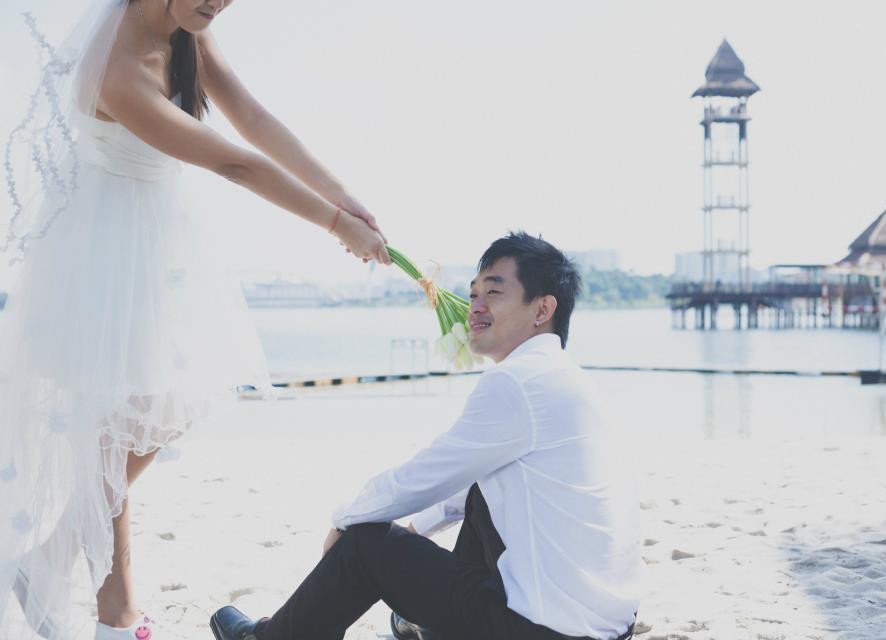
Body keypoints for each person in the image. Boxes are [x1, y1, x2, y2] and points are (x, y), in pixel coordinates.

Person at [0, 1, 390, 639]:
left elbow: (254, 120)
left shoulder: (188, 29)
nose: (220, 1)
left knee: (150, 417)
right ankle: (114, 612)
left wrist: (342, 197)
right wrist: (333, 223)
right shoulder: (118, 68)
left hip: (160, 242)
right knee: (121, 426)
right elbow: (233, 163)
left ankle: (61, 564)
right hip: (109, 250)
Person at [210, 232, 641, 640]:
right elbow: (464, 489)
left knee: (365, 544)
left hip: (546, 631)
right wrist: (416, 531)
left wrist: (346, 521)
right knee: (478, 495)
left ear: (542, 309)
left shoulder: (518, 382)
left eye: (493, 293)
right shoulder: (569, 379)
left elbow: (422, 478)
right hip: (606, 626)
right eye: (473, 293)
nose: (475, 307)